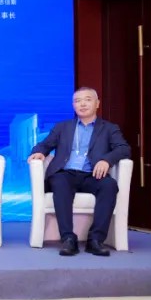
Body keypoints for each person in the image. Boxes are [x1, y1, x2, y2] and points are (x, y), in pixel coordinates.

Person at [28, 87, 131, 257]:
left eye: (87, 100)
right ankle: (68, 239)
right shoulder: (62, 127)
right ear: (73, 105)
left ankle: (95, 240)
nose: (82, 104)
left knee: (110, 185)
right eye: (77, 101)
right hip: (66, 173)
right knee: (59, 182)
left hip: (93, 175)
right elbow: (44, 145)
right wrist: (39, 152)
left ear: (97, 103)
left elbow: (124, 148)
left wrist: (106, 160)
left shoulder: (109, 128)